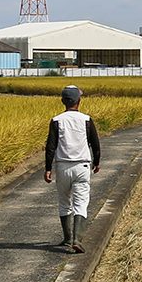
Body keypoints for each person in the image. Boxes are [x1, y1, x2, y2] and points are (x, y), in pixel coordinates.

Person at [44, 84, 101, 253]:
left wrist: (48, 168)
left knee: (64, 202)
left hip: (62, 166)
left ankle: (67, 238)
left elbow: (50, 147)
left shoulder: (56, 121)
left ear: (63, 101)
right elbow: (95, 144)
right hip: (82, 165)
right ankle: (77, 238)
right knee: (81, 202)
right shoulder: (86, 120)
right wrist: (96, 161)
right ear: (79, 101)